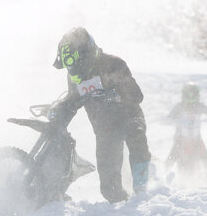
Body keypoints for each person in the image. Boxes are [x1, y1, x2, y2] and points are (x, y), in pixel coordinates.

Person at [49, 26, 151, 203]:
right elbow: (73, 102)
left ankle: (143, 191)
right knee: (109, 191)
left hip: (129, 116)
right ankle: (122, 201)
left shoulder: (113, 64)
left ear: (87, 54)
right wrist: (59, 110)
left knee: (135, 131)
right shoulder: (74, 78)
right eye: (68, 64)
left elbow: (137, 96)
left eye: (75, 61)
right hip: (105, 128)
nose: (73, 69)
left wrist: (114, 94)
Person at [165, 82, 207, 177]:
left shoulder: (200, 106)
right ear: (184, 95)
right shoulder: (179, 106)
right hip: (180, 137)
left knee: (206, 158)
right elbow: (169, 117)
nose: (191, 97)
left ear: (197, 95)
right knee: (172, 156)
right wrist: (170, 119)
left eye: (193, 95)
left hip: (196, 137)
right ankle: (163, 176)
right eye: (188, 95)